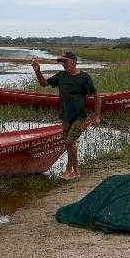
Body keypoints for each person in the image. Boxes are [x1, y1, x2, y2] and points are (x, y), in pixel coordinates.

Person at [31, 52, 101, 180]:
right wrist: (37, 71)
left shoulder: (84, 78)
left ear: (74, 62)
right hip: (65, 116)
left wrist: (97, 116)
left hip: (79, 116)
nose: (63, 64)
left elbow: (96, 96)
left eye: (65, 61)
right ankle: (76, 171)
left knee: (69, 141)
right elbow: (43, 84)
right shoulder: (60, 76)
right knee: (69, 143)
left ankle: (70, 170)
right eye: (61, 62)